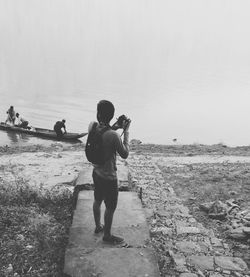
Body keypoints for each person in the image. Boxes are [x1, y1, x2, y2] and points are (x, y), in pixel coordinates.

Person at [89, 100, 130, 244]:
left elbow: (103, 134)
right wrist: (126, 132)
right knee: (110, 207)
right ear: (112, 115)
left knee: (97, 200)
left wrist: (116, 127)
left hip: (96, 173)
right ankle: (107, 235)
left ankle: (97, 226)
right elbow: (124, 154)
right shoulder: (113, 135)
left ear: (98, 113)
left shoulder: (92, 127)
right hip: (109, 177)